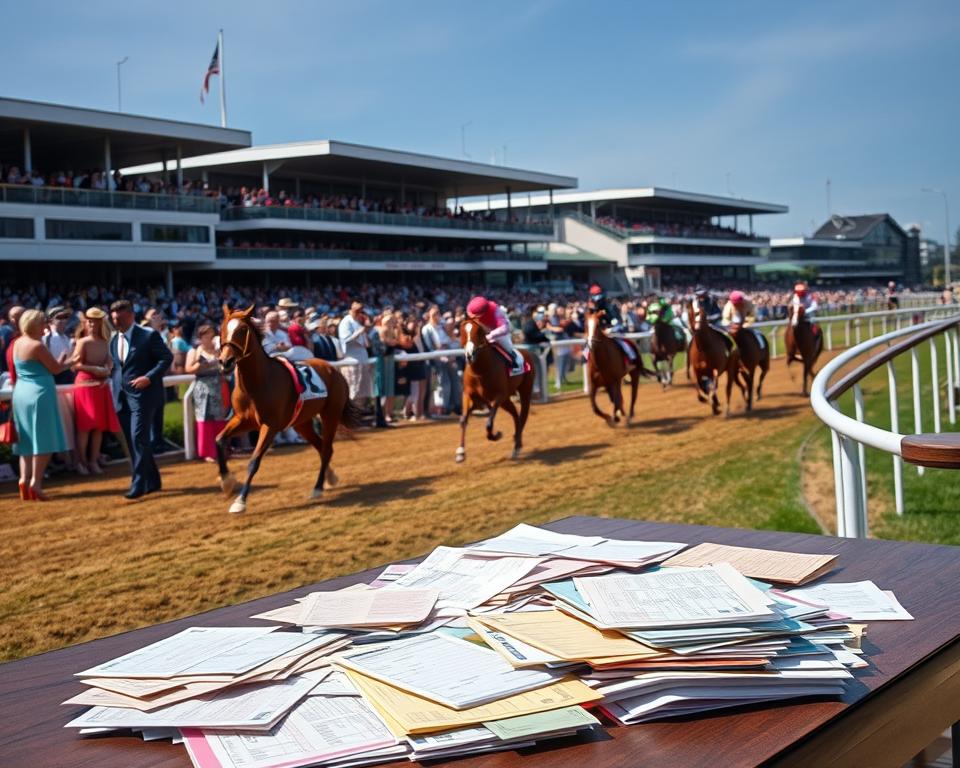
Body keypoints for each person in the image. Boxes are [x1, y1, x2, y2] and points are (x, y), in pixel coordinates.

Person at [109, 299, 173, 500]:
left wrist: (149, 377)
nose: (116, 322)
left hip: (145, 395)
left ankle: (138, 483)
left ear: (131, 315)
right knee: (136, 441)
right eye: (113, 319)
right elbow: (118, 367)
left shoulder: (148, 335)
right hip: (122, 396)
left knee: (138, 438)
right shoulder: (113, 340)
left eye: (119, 318)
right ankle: (153, 480)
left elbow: (166, 358)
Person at [11, 309, 69, 501]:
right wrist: (71, 360)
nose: (46, 326)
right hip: (40, 393)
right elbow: (55, 369)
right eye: (43, 323)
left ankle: (23, 480)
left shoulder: (17, 343)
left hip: (21, 393)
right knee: (44, 440)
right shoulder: (37, 345)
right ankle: (35, 483)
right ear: (36, 325)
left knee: (26, 441)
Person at [71, 307, 120, 475]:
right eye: (89, 321)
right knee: (85, 427)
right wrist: (95, 369)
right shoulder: (82, 342)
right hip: (85, 386)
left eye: (95, 321)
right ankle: (81, 462)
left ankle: (92, 461)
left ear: (100, 323)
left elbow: (110, 362)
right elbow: (75, 365)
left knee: (99, 427)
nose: (92, 324)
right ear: (85, 322)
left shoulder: (105, 342)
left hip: (101, 385)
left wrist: (106, 369)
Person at [185, 324, 229, 462]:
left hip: (218, 386)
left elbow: (226, 368)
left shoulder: (218, 351)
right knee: (204, 418)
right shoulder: (194, 351)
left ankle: (222, 450)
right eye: (206, 335)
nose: (209, 338)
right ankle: (208, 452)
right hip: (202, 387)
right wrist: (201, 364)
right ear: (200, 337)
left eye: (210, 335)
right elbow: (189, 369)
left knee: (220, 418)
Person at [466, 295, 523, 373]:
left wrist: (490, 336)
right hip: (483, 332)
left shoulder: (496, 311)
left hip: (498, 331)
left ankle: (515, 364)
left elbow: (504, 328)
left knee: (508, 347)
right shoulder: (471, 310)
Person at [338, 302, 373, 406]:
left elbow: (366, 343)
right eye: (358, 310)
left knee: (362, 392)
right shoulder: (346, 322)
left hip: (362, 359)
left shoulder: (357, 322)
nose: (360, 312)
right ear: (351, 309)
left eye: (361, 310)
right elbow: (345, 340)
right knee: (352, 391)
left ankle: (357, 418)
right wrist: (359, 332)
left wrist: (365, 330)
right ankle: (350, 419)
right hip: (352, 360)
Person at [43, 306, 76, 385]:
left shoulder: (67, 339)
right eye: (59, 317)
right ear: (51, 320)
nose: (63, 320)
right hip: (52, 377)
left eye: (65, 317)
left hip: (67, 376)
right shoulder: (45, 339)